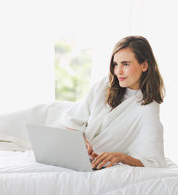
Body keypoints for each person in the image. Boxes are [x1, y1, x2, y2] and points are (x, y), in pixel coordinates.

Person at [61, 35, 166, 169]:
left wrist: (121, 157)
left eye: (126, 64)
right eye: (115, 64)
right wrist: (82, 142)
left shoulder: (148, 108)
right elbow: (73, 121)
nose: (118, 71)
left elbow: (154, 162)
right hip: (76, 156)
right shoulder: (104, 85)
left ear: (144, 65)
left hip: (95, 164)